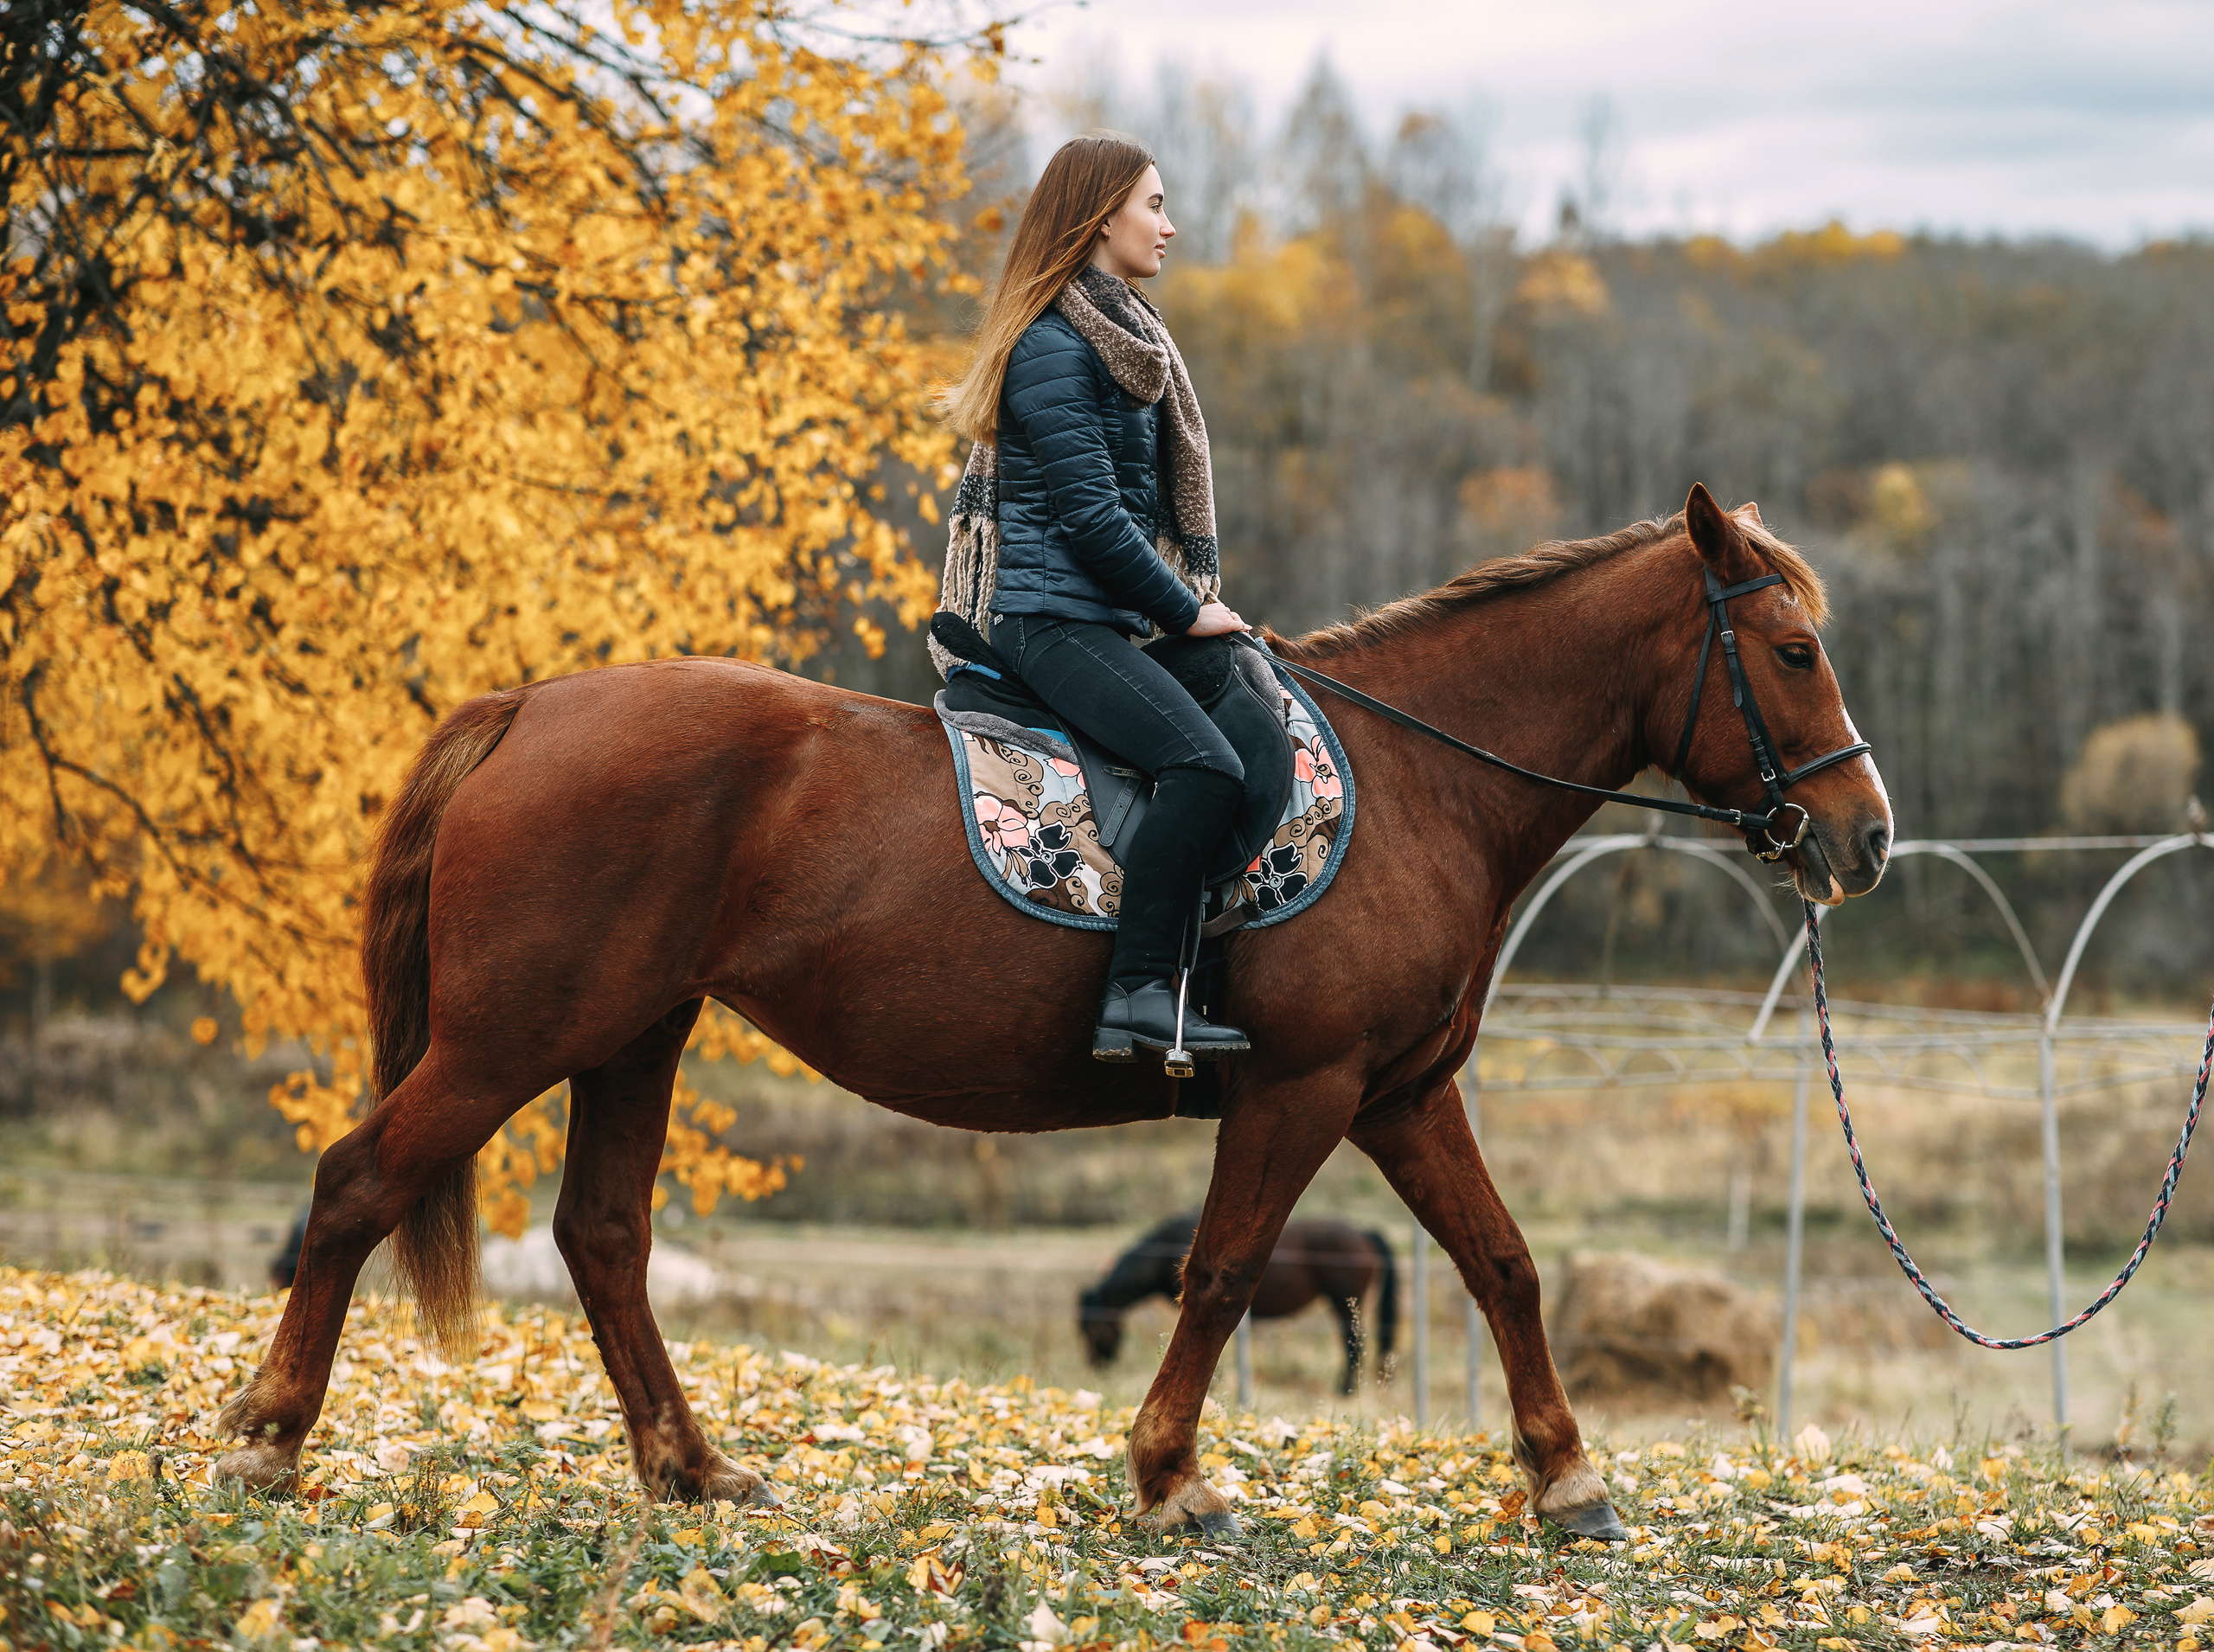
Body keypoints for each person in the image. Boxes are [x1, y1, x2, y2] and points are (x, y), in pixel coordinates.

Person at [935, 131, 1251, 1062]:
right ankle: (1140, 993)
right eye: (1154, 204)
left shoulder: (1123, 342)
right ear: (1100, 214)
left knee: (1245, 674)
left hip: (1097, 618)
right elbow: (1092, 521)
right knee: (1205, 765)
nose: (1171, 224)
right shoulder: (1052, 350)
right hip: (1049, 626)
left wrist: (1204, 625)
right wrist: (1187, 609)